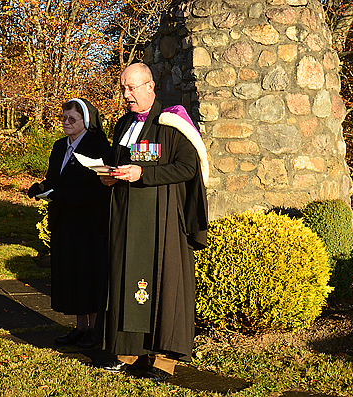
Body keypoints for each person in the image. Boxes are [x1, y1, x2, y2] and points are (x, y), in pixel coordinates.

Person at [99, 63, 209, 382]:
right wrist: (110, 177)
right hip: (128, 218)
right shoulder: (124, 125)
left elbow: (187, 167)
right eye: (122, 88)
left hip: (162, 220)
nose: (126, 95)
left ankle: (164, 359)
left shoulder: (172, 123)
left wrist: (144, 174)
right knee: (125, 279)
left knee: (164, 285)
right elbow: (121, 163)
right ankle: (129, 350)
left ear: (150, 87)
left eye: (132, 88)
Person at [28, 98, 110, 349]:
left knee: (88, 274)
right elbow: (55, 178)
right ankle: (80, 327)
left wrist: (61, 196)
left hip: (89, 222)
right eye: (64, 118)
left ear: (86, 121)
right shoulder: (58, 146)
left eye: (72, 119)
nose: (66, 123)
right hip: (65, 220)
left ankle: (95, 331)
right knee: (71, 274)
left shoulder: (97, 146)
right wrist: (41, 188)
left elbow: (98, 189)